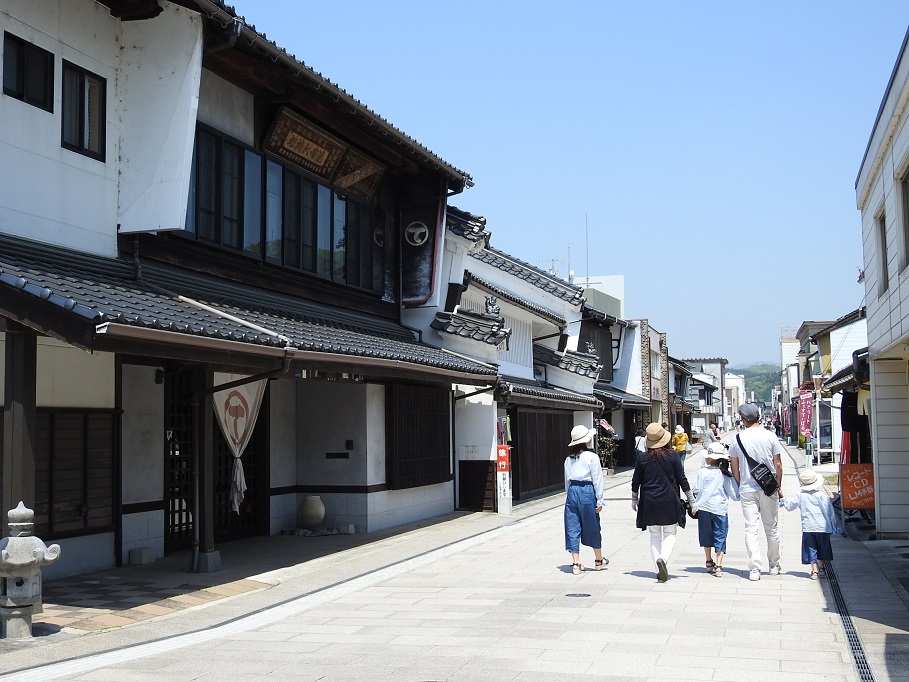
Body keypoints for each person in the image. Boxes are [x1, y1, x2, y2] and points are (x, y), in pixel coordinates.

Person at [631, 422, 694, 582]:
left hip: (649, 500)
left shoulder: (642, 457)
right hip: (668, 499)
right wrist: (692, 501)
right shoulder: (672, 456)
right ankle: (663, 560)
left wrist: (634, 500)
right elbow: (682, 479)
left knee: (654, 535)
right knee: (670, 533)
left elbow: (636, 480)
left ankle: (658, 566)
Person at [728, 402, 784, 581]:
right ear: (759, 417)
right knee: (771, 527)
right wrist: (778, 485)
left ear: (743, 419)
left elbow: (734, 467)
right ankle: (774, 564)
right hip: (768, 488)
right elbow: (778, 465)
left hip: (747, 488)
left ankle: (754, 568)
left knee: (750, 529)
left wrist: (740, 483)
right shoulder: (770, 436)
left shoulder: (736, 439)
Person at [563, 424, 607, 575]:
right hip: (587, 491)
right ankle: (598, 560)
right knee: (593, 524)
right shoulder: (592, 457)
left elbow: (566, 481)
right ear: (586, 440)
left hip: (572, 491)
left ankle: (576, 563)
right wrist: (600, 499)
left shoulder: (568, 460)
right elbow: (597, 479)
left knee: (572, 526)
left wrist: (569, 496)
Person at [780, 469, 837, 580]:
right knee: (822, 547)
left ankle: (814, 570)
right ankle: (821, 568)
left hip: (808, 527)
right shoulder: (822, 495)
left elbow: (790, 506)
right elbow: (830, 512)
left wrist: (783, 501)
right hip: (823, 527)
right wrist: (833, 526)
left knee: (811, 548)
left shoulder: (800, 495)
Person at [694, 442, 739, 577]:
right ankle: (718, 566)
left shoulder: (702, 472)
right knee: (720, 535)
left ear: (711, 458)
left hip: (703, 508)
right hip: (719, 508)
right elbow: (735, 495)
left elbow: (696, 490)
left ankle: (708, 561)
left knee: (706, 535)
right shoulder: (725, 474)